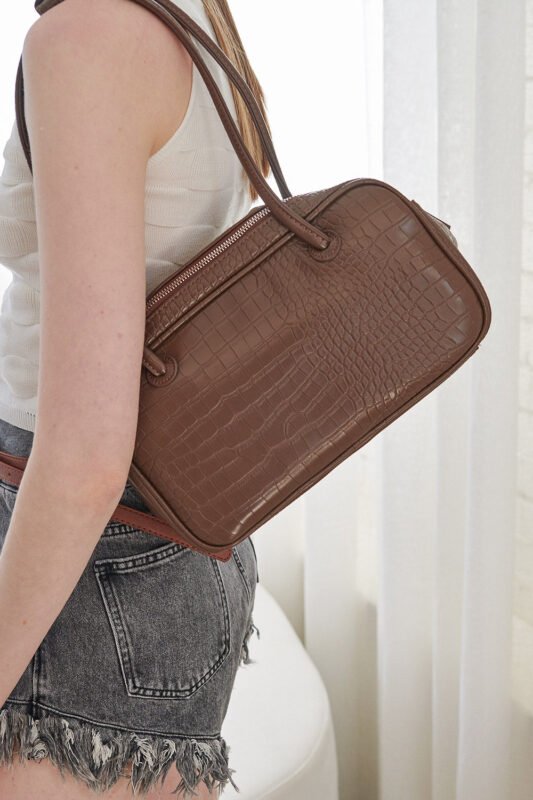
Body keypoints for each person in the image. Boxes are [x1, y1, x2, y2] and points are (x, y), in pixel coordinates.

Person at [0, 0, 270, 796]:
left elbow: (85, 459)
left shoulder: (86, 36)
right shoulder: (191, 16)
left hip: (86, 561)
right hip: (166, 539)